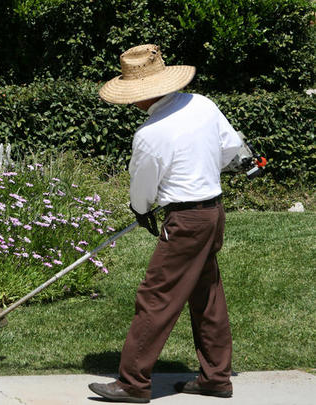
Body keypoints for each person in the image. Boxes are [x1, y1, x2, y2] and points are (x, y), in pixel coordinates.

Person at [88, 44, 243, 403]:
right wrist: (199, 170)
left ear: (142, 95)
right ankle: (216, 378)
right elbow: (231, 146)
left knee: (156, 296)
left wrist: (141, 209)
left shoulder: (149, 133)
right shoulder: (202, 104)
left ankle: (132, 383)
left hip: (186, 221)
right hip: (213, 213)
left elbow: (143, 190)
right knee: (207, 295)